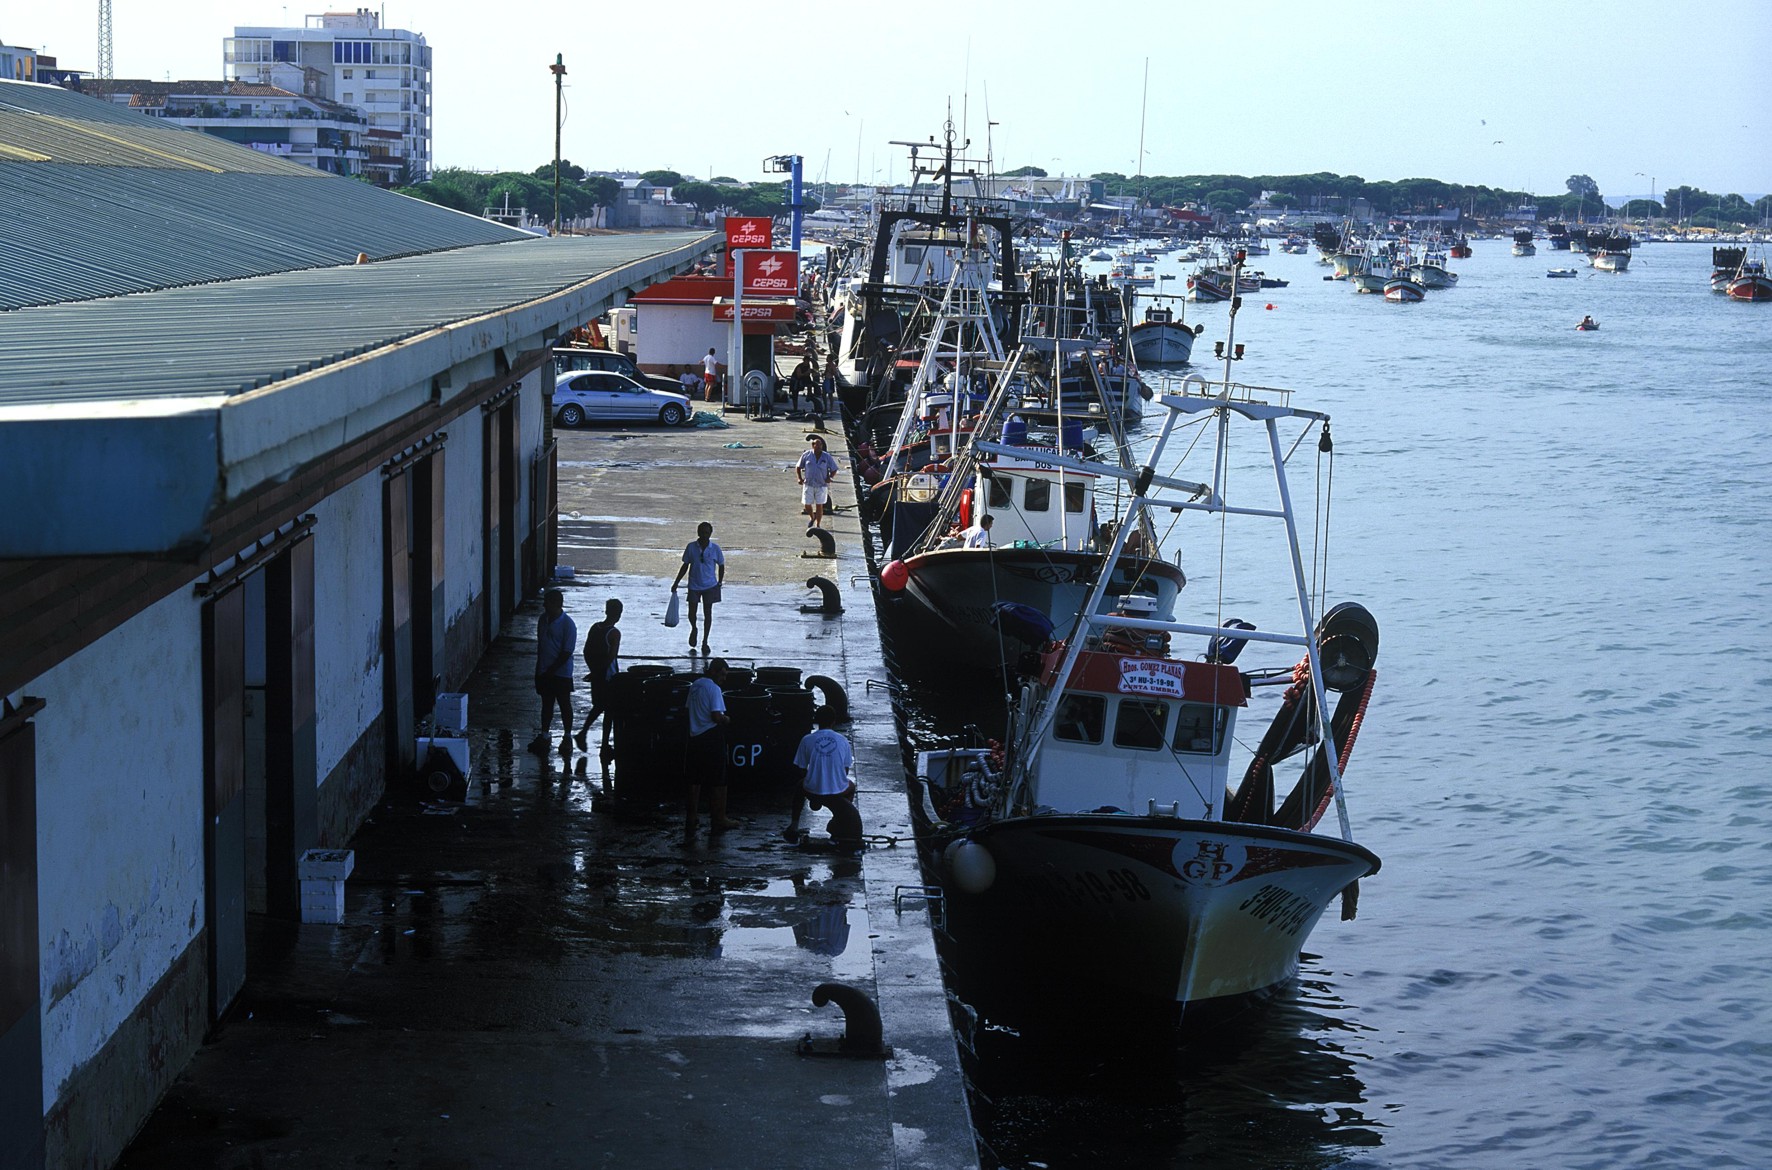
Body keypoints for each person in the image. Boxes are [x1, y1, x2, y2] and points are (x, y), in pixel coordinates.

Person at [684, 657, 740, 837]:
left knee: (694, 780)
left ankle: (691, 817)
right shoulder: (714, 689)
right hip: (711, 736)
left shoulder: (695, 685)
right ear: (714, 671)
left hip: (694, 735)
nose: (724, 679)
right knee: (719, 779)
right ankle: (719, 818)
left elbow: (688, 709)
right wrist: (727, 719)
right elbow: (716, 716)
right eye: (722, 675)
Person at [786, 719, 860, 848]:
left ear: (817, 721)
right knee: (851, 787)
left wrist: (814, 782)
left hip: (812, 789)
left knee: (800, 785)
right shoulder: (842, 740)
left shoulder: (807, 739)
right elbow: (845, 770)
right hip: (837, 791)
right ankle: (839, 818)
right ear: (833, 722)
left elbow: (801, 768)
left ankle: (794, 824)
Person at [530, 588, 577, 758]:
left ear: (557, 604)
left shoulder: (568, 624)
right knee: (546, 704)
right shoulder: (543, 620)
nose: (544, 605)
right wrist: (540, 670)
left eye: (547, 602)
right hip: (544, 670)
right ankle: (544, 735)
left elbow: (567, 652)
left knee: (564, 704)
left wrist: (552, 669)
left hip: (562, 673)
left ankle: (567, 737)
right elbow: (541, 646)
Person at [573, 598, 622, 755]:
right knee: (609, 710)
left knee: (599, 706)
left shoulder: (595, 628)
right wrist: (598, 672)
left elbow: (586, 651)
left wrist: (593, 671)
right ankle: (604, 744)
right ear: (619, 614)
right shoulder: (614, 633)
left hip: (597, 674)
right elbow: (611, 657)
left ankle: (584, 733)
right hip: (609, 676)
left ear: (606, 611)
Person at [671, 521, 725, 654]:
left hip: (710, 585)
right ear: (698, 533)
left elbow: (721, 565)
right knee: (692, 612)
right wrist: (676, 582)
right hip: (694, 585)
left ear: (710, 533)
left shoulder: (715, 549)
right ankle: (694, 628)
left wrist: (719, 582)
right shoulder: (691, 547)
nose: (704, 535)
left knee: (708, 613)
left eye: (706, 533)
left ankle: (705, 641)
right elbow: (685, 565)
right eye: (702, 532)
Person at [796, 435, 841, 528]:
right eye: (817, 445)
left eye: (820, 445)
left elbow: (834, 469)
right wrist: (799, 478)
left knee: (819, 505)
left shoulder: (826, 457)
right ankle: (812, 517)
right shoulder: (806, 455)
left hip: (821, 484)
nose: (819, 447)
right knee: (807, 504)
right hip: (809, 483)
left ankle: (818, 524)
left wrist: (830, 477)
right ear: (813, 445)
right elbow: (798, 466)